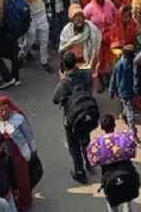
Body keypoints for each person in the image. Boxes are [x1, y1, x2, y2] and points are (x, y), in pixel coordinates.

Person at [0, 97, 36, 211]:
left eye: (6, 110)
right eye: (1, 110)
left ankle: (25, 203)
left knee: (23, 180)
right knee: (5, 181)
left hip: (19, 155)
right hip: (1, 158)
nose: (4, 113)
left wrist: (33, 150)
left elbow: (29, 135)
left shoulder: (18, 119)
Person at [53, 52, 97, 184]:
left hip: (71, 120)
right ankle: (90, 163)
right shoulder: (86, 74)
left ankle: (80, 172)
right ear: (76, 62)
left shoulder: (64, 83)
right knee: (86, 141)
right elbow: (91, 83)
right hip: (86, 115)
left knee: (74, 147)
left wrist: (62, 80)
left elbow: (55, 99)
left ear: (64, 66)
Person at [86, 114, 140, 212]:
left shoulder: (96, 144)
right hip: (127, 173)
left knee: (112, 204)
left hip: (109, 177)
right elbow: (133, 151)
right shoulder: (126, 136)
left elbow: (93, 161)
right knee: (128, 198)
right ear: (114, 125)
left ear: (102, 127)